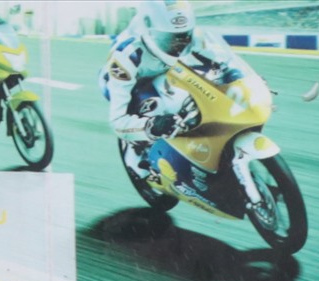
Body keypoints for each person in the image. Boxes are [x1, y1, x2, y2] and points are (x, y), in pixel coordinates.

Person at [100, 0, 245, 185]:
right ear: (149, 31)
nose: (178, 44)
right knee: (154, 106)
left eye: (183, 36)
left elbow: (223, 61)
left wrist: (238, 76)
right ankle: (134, 152)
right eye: (169, 38)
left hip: (165, 72)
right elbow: (117, 122)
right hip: (128, 82)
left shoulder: (192, 36)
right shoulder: (127, 56)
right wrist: (151, 126)